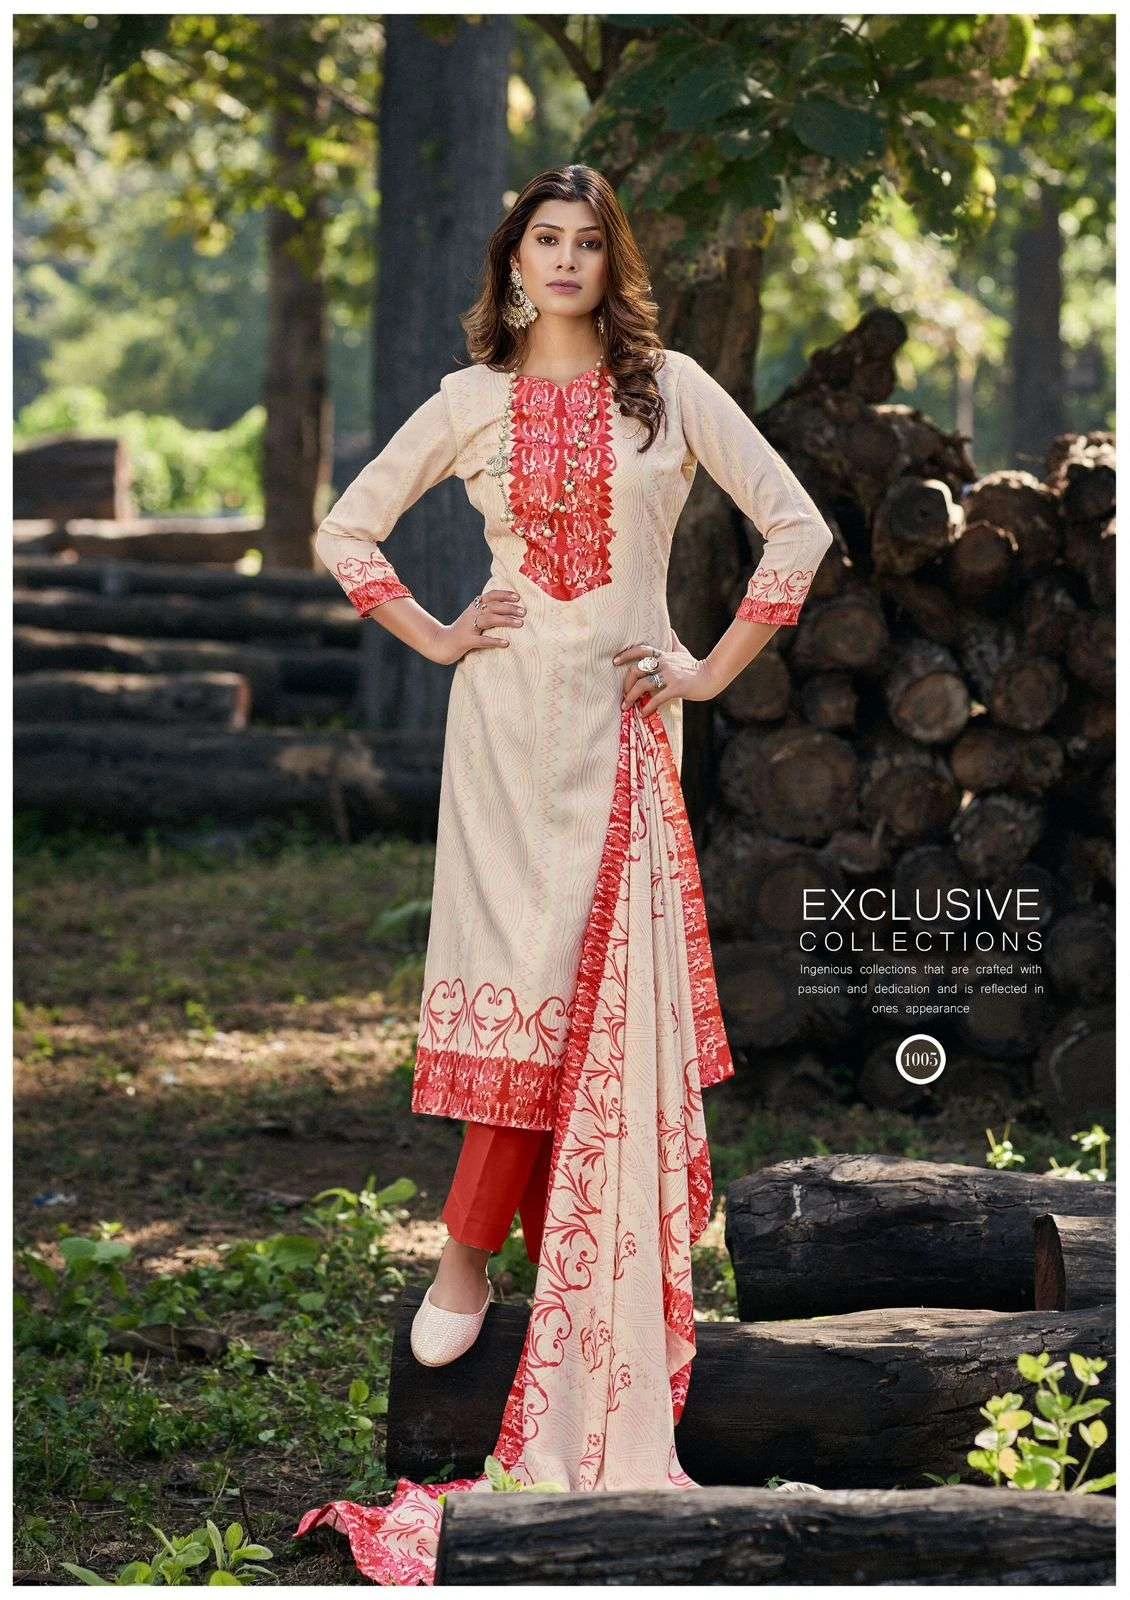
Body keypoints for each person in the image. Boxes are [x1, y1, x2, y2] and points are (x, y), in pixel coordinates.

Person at [296, 162, 833, 1584]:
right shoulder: (468, 399)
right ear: (512, 258)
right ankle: (479, 1260)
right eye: (544, 239)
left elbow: (797, 525)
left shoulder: (670, 394)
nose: (565, 261)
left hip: (621, 737)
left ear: (613, 261)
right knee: (522, 996)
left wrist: (706, 671)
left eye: (589, 242)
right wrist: (433, 635)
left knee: (585, 1008)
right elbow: (345, 527)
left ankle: (480, 1256)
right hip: (500, 732)